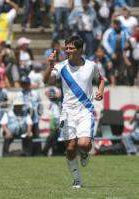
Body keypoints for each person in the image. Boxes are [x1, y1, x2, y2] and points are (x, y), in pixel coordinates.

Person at [43, 35, 105, 188]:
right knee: (70, 148)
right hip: (67, 112)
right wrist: (50, 65)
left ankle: (84, 153)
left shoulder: (91, 66)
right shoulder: (60, 66)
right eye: (66, 48)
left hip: (85, 111)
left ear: (80, 50)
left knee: (84, 144)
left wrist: (100, 91)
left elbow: (101, 79)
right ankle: (77, 180)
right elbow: (47, 81)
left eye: (71, 48)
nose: (68, 51)